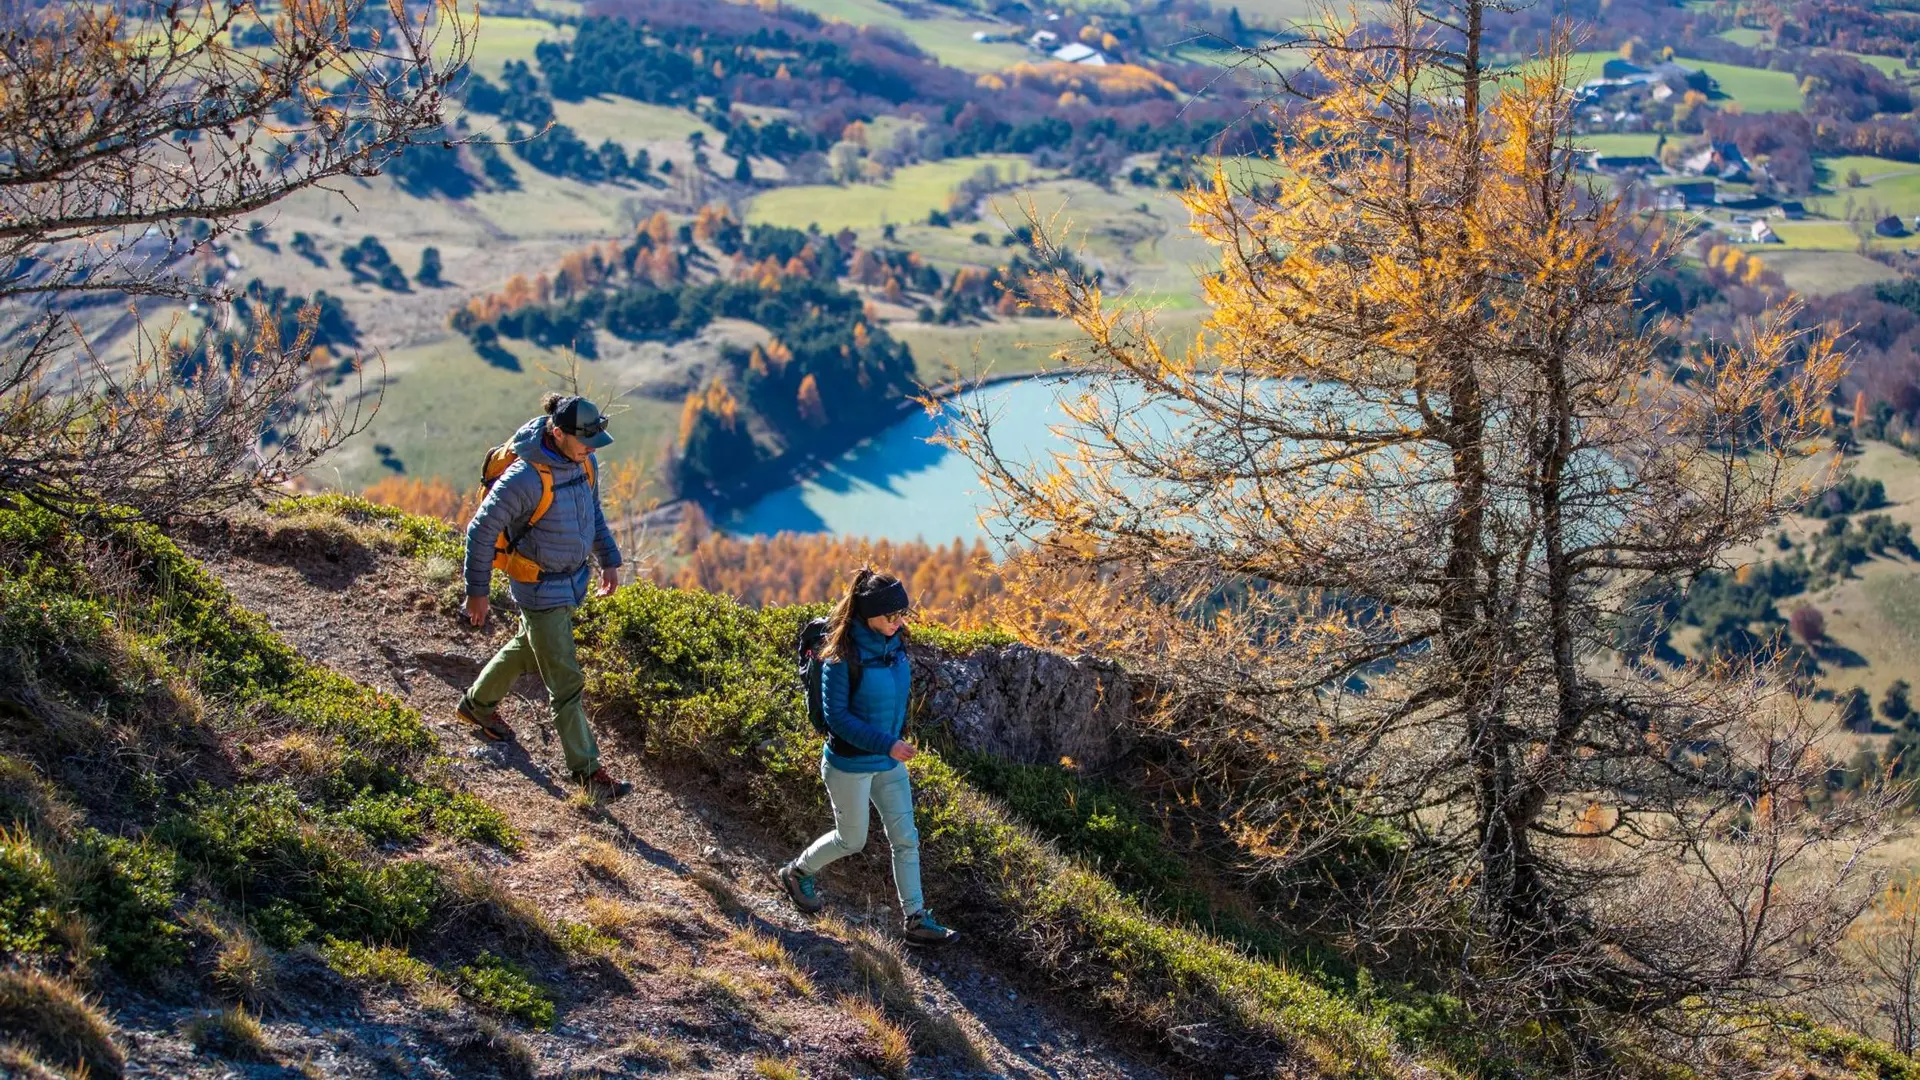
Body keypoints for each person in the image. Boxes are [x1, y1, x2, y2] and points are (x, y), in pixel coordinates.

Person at [458, 393, 633, 801]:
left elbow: (593, 514)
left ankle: (478, 705)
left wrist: (609, 559)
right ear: (557, 433)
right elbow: (480, 531)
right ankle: (589, 774)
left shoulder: (583, 463)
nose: (592, 449)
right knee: (566, 681)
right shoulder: (525, 478)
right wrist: (477, 591)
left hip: (570, 582)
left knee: (526, 647)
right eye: (586, 441)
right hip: (538, 587)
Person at [775, 570, 957, 944]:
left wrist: (892, 744)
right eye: (891, 616)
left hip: (887, 763)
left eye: (902, 614)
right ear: (868, 613)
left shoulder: (895, 644)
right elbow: (836, 719)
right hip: (850, 766)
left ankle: (916, 920)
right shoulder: (840, 656)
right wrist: (887, 744)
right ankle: (796, 872)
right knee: (851, 840)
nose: (899, 622)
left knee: (906, 838)